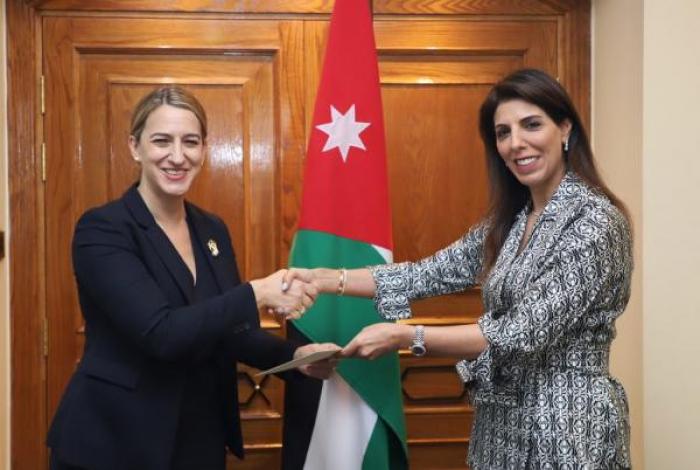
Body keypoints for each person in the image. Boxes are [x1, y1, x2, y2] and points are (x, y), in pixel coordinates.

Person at [284, 68, 632, 469]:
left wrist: (405, 335)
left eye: (532, 125)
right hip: (501, 425)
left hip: (567, 424)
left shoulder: (595, 222)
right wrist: (328, 279)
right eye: (503, 133)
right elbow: (428, 273)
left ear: (565, 128)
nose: (516, 143)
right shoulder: (511, 219)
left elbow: (519, 333)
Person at [46, 86, 339, 470]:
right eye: (161, 141)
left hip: (199, 436)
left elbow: (232, 332)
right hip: (115, 442)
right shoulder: (103, 229)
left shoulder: (211, 229)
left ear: (204, 149)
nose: (177, 156)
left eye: (190, 141)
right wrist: (256, 292)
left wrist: (294, 357)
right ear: (135, 147)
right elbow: (161, 333)